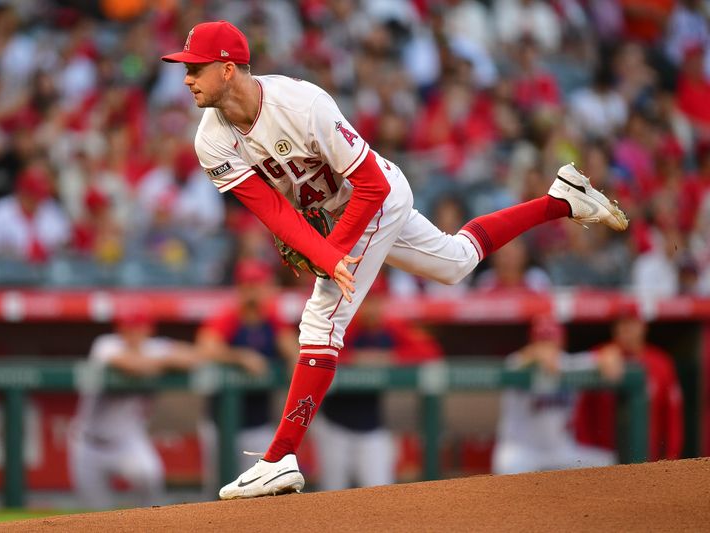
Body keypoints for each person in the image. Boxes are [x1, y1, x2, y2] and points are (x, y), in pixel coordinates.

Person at [160, 20, 629, 499]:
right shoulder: (210, 139)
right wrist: (321, 252)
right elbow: (275, 212)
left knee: (321, 321)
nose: (186, 78)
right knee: (456, 262)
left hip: (374, 198)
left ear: (228, 69)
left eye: (195, 68)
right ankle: (561, 199)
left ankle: (280, 457)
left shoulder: (302, 104)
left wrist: (333, 253)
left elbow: (372, 185)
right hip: (335, 212)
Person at [314, 274, 442, 490]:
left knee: (380, 492)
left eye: (376, 300)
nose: (371, 307)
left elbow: (430, 352)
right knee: (331, 494)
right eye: (366, 299)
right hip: (334, 425)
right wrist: (354, 359)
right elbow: (318, 350)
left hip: (371, 427)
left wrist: (390, 357)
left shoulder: (389, 328)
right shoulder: (344, 324)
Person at [68, 303, 202, 509]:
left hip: (128, 441)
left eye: (138, 327)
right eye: (127, 327)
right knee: (94, 513)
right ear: (119, 329)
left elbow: (194, 357)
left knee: (150, 478)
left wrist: (161, 358)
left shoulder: (155, 347)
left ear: (148, 329)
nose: (132, 333)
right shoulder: (106, 344)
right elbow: (132, 365)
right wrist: (163, 363)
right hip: (89, 443)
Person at [195, 259, 298, 496]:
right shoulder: (229, 317)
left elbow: (294, 352)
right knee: (218, 490)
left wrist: (291, 362)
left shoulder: (272, 320)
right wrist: (241, 357)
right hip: (221, 424)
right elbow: (205, 348)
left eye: (258, 285)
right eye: (248, 285)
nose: (253, 292)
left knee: (260, 492)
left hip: (259, 423)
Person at [492, 315, 622, 475]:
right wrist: (534, 354)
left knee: (607, 463)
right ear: (532, 342)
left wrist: (610, 356)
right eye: (542, 340)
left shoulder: (567, 364)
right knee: (506, 470)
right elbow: (515, 364)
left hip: (560, 451)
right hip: (521, 451)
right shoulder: (517, 362)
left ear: (562, 342)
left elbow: (604, 356)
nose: (547, 346)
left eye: (551, 340)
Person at [574, 303, 684, 461]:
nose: (625, 329)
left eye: (631, 323)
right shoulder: (599, 356)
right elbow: (583, 413)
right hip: (603, 460)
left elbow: (673, 418)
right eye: (621, 323)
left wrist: (671, 458)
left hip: (647, 459)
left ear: (643, 326)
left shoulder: (661, 363)